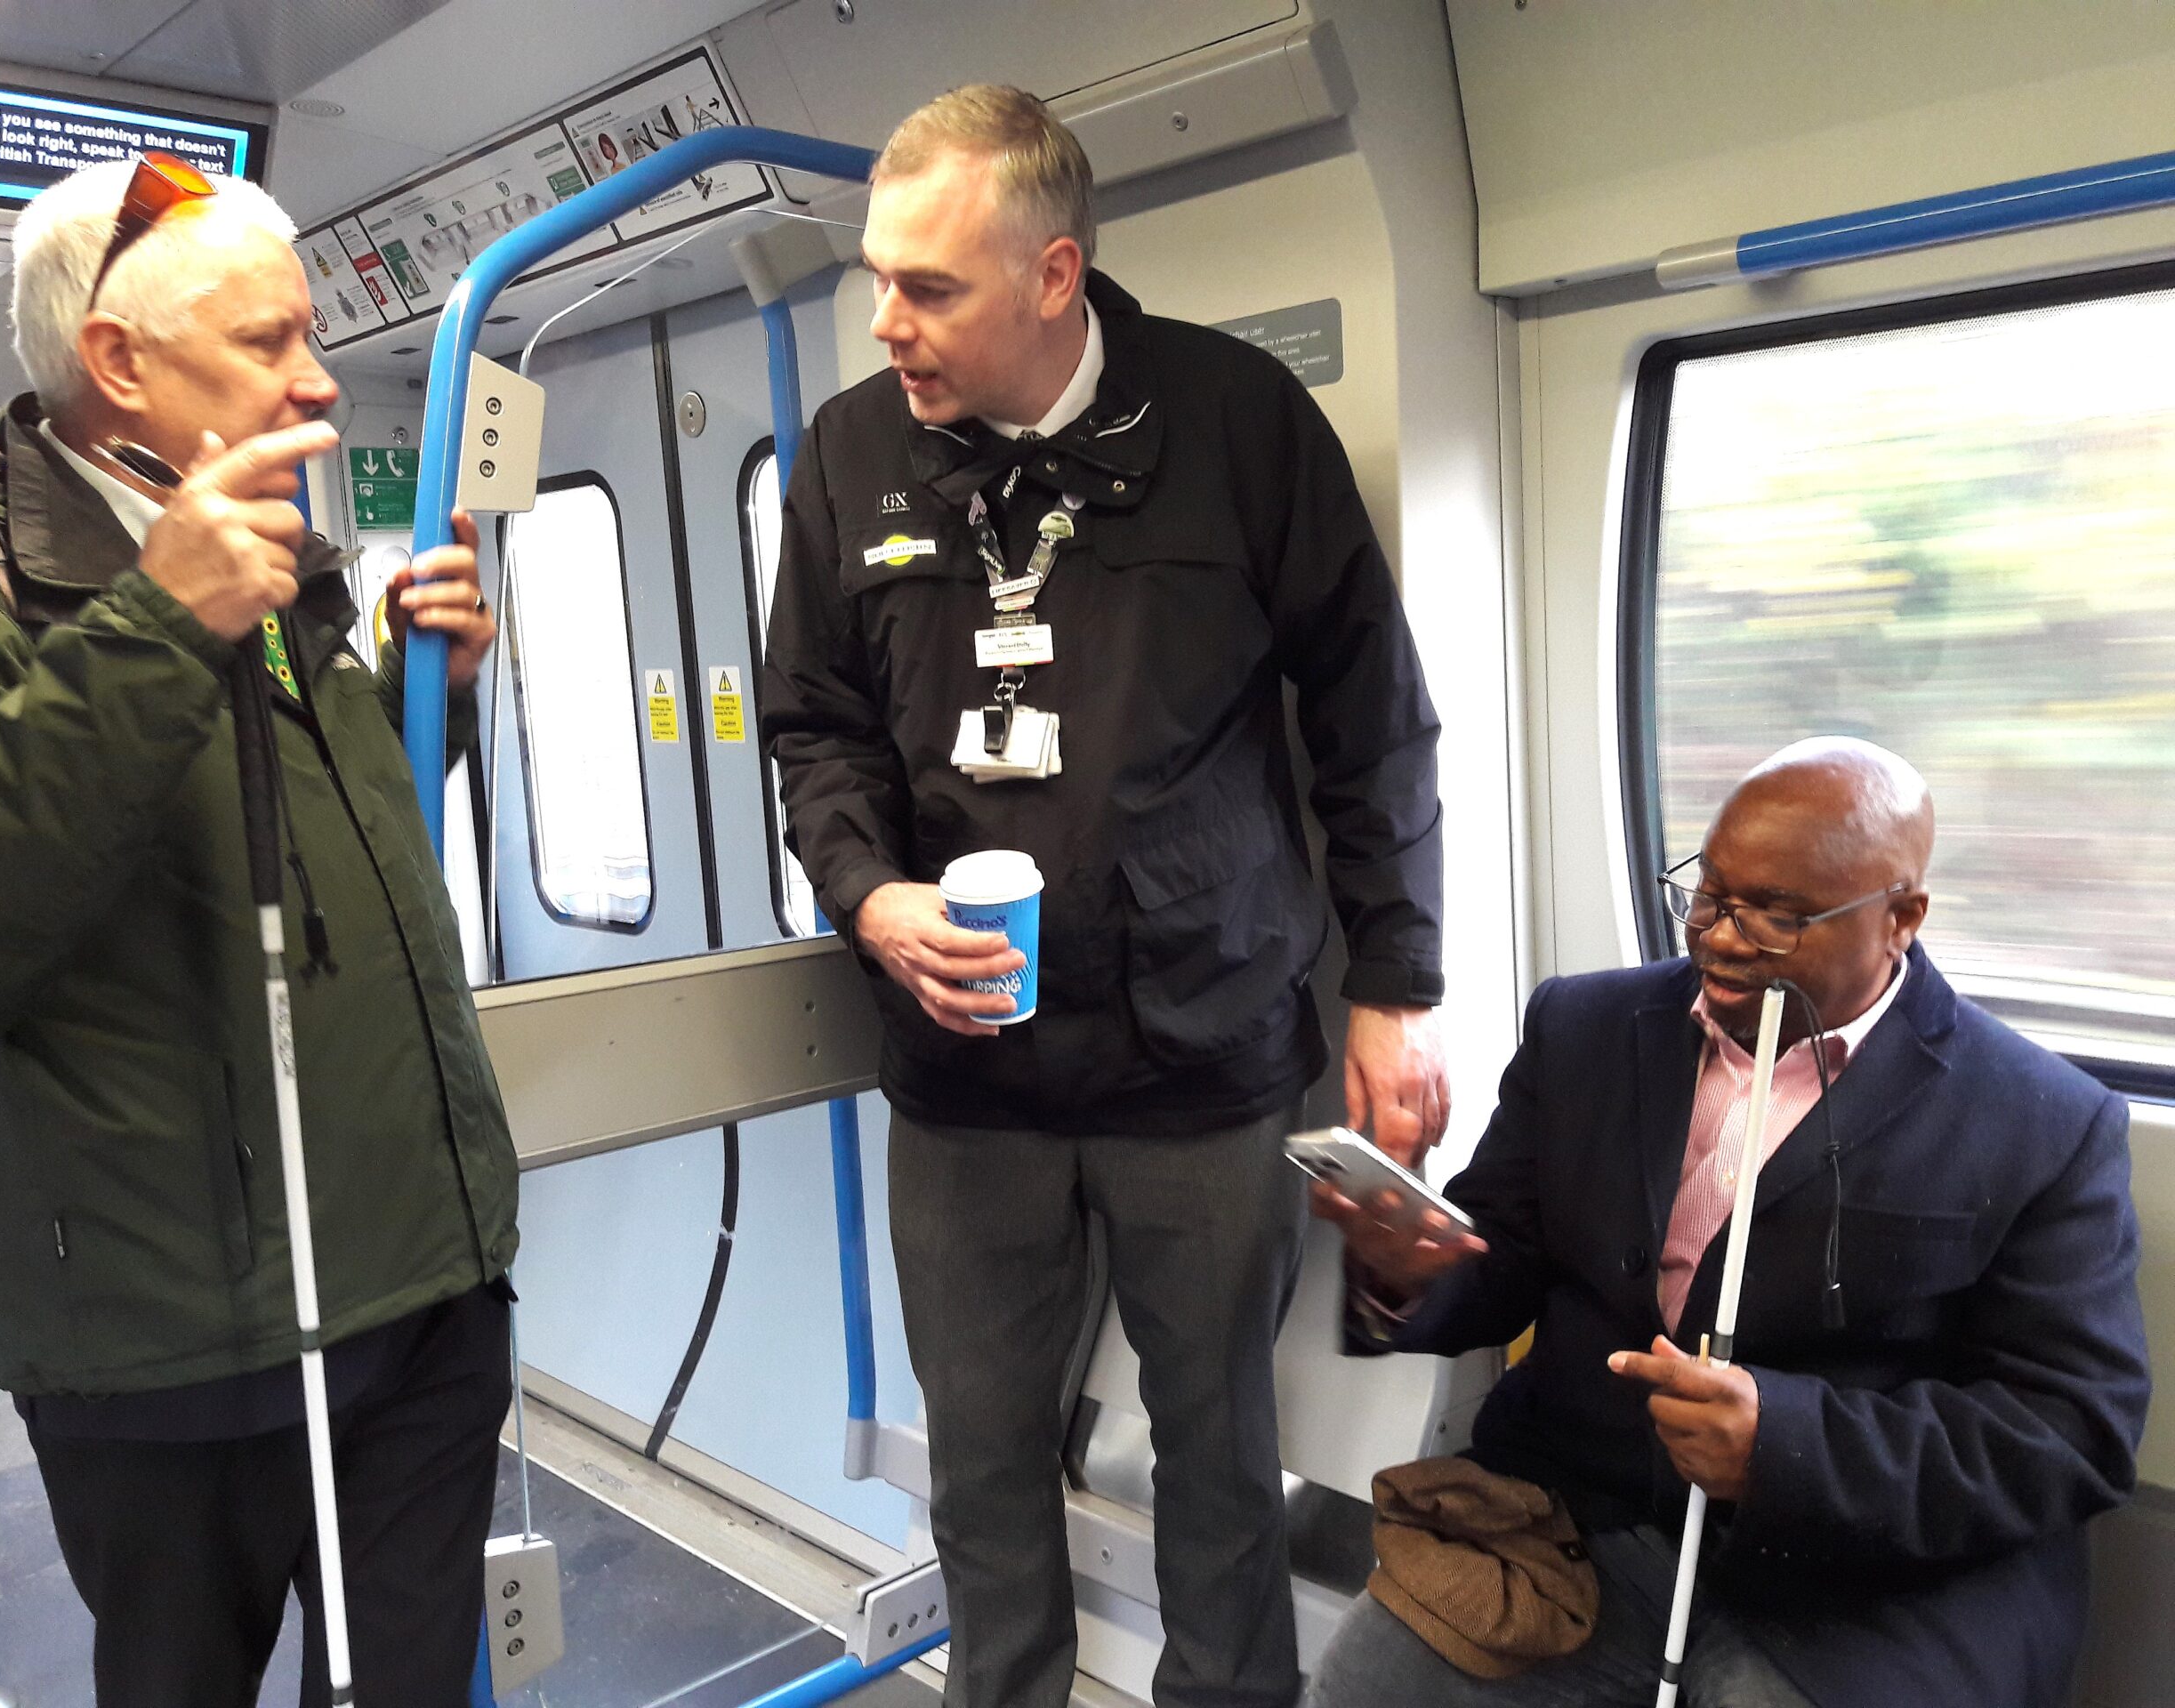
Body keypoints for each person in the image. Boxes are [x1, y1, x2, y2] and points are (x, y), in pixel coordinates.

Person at [761, 86, 1449, 1708]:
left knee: (1221, 1468)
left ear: (1054, 275)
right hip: (965, 1075)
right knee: (985, 1473)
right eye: (880, 279)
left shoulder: (1239, 423)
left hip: (1202, 1056)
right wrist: (866, 899)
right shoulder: (857, 450)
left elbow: (1371, 720)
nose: (890, 323)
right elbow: (816, 728)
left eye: (929, 288)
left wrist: (1395, 987)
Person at [0, 155, 519, 1704]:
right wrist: (158, 624)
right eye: (269, 342)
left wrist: (414, 699)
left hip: (418, 1289)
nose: (315, 378)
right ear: (118, 365)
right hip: (171, 1348)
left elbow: (292, 849)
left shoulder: (279, 557)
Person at [1308, 738, 2149, 1708]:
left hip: (1860, 1580)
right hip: (1581, 1519)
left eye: (1779, 916)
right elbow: (1502, 1255)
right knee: (1362, 1685)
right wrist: (1404, 1270)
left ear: (1899, 919)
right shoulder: (1583, 1028)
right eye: (1707, 895)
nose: (1719, 936)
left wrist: (1782, 1444)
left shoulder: (2036, 1120)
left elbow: (2070, 1429)